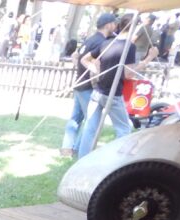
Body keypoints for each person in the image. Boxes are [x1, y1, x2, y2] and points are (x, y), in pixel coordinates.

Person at [78, 15, 157, 158]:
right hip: (112, 95)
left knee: (90, 128)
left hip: (98, 92)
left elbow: (84, 59)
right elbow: (128, 74)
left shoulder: (107, 42)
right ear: (135, 27)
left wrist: (97, 71)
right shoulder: (129, 46)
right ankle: (117, 161)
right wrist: (149, 58)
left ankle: (82, 159)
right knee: (124, 129)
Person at [60, 13, 118, 158]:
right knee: (91, 122)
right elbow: (94, 63)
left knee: (75, 118)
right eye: (114, 23)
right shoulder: (102, 42)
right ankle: (80, 151)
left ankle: (67, 148)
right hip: (88, 86)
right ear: (108, 25)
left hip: (79, 83)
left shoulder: (90, 39)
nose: (116, 26)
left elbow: (75, 56)